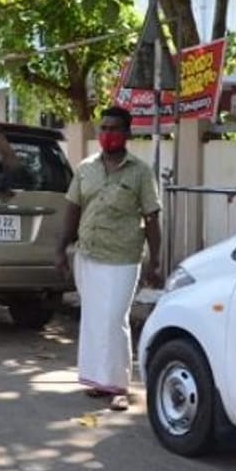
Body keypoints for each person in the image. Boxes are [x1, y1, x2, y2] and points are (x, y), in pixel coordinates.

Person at [54, 106, 162, 412]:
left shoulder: (140, 172)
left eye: (114, 128)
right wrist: (60, 250)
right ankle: (97, 380)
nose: (107, 134)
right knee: (93, 318)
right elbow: (72, 210)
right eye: (103, 128)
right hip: (88, 254)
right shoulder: (85, 168)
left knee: (115, 320)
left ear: (127, 133)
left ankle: (119, 386)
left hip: (123, 257)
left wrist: (155, 260)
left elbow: (152, 218)